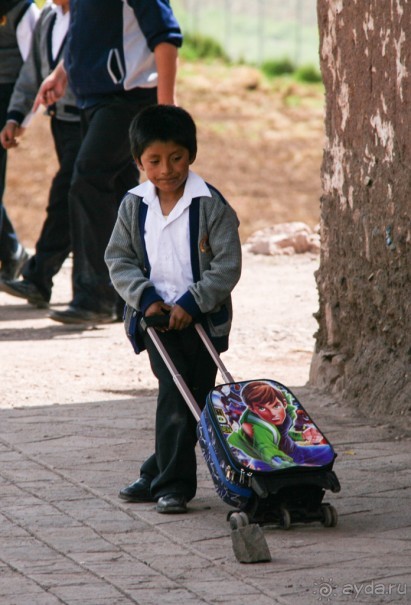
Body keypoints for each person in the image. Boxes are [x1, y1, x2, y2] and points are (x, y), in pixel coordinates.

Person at [104, 105, 242, 514]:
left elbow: (227, 265)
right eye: (154, 161)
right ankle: (174, 485)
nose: (167, 169)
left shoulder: (210, 205)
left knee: (193, 399)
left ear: (192, 154)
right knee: (174, 392)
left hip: (202, 319)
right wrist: (145, 299)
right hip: (155, 318)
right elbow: (119, 259)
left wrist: (193, 302)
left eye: (177, 157)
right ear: (139, 162)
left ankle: (153, 471)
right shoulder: (134, 205)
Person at [32, 0, 182, 324]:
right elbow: (84, 31)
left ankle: (94, 296)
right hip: (95, 98)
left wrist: (166, 109)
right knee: (117, 194)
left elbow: (166, 36)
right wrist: (61, 73)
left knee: (87, 179)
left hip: (129, 98)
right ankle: (124, 298)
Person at [0, 0, 81, 308]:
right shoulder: (48, 16)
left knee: (68, 193)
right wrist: (15, 116)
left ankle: (39, 277)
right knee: (79, 197)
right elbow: (32, 72)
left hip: (90, 117)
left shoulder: (89, 14)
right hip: (61, 120)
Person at [0, 0, 39, 281]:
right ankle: (12, 250)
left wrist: (20, 118)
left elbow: (35, 66)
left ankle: (12, 252)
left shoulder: (22, 9)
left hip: (6, 98)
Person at [227, 381, 334, 469]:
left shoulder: (285, 415)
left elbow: (281, 435)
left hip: (295, 452)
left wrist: (301, 436)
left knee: (328, 451)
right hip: (269, 461)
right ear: (252, 409)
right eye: (262, 408)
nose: (273, 414)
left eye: (276, 406)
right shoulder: (258, 429)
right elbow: (266, 448)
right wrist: (291, 466)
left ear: (284, 402)